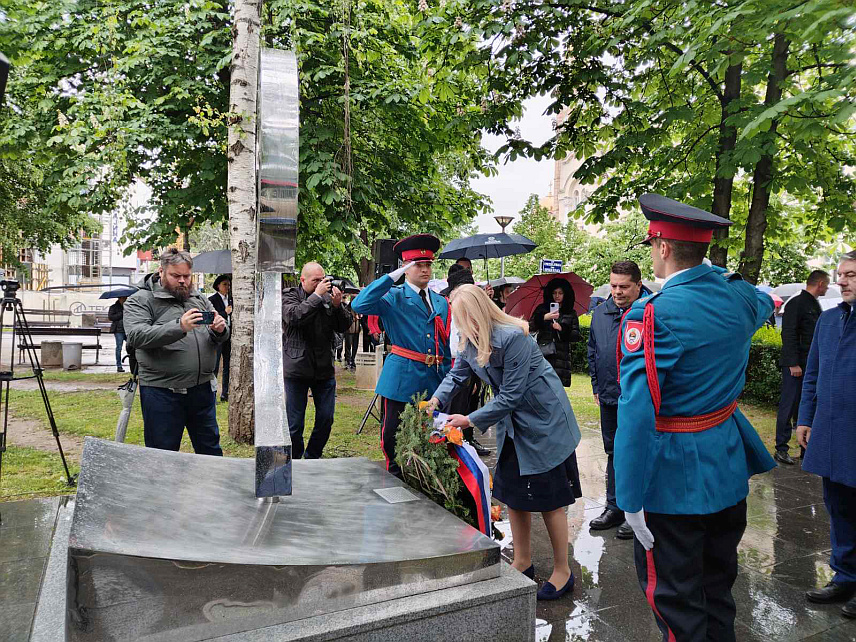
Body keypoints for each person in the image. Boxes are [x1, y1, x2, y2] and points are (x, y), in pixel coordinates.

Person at [615, 194, 775, 642]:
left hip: (671, 482)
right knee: (718, 592)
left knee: (676, 605)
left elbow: (636, 410)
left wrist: (629, 498)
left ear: (663, 247)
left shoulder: (652, 313)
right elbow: (762, 299)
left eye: (652, 246)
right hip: (726, 466)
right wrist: (723, 275)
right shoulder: (740, 297)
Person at [427, 284, 582, 601]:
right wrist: (434, 402)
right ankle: (523, 561)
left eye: (459, 318)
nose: (456, 325)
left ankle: (563, 571)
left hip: (544, 424)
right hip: (515, 424)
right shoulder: (469, 339)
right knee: (513, 493)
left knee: (550, 498)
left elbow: (511, 395)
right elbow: (457, 376)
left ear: (475, 314)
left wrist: (469, 420)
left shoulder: (514, 338)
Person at [351, 234, 452, 478]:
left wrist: (449, 379)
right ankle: (395, 478)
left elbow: (443, 343)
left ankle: (425, 478)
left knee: (432, 434)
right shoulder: (393, 296)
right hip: (402, 378)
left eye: (428, 264)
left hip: (433, 377)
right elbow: (359, 305)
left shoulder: (441, 301)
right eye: (418, 265)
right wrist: (389, 278)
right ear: (406, 269)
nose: (425, 270)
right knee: (393, 435)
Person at [797, 250, 856, 619]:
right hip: (831, 432)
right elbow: (812, 375)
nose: (841, 281)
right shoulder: (829, 319)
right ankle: (845, 575)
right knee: (838, 507)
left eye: (850, 274)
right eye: (839, 274)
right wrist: (804, 420)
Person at [124, 248, 229, 456]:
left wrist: (220, 329)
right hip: (163, 392)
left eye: (187, 276)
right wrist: (179, 326)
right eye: (176, 275)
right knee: (163, 455)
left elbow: (220, 335)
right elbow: (136, 336)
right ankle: (162, 490)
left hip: (202, 390)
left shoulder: (198, 297)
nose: (182, 281)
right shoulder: (140, 299)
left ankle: (209, 489)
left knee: (211, 452)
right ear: (161, 272)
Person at [586, 260, 652, 539]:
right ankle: (614, 507)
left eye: (624, 287)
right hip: (609, 397)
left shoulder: (650, 311)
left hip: (640, 400)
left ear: (638, 285)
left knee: (639, 453)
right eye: (613, 286)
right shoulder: (601, 313)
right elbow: (593, 350)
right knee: (614, 452)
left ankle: (638, 512)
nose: (617, 291)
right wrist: (596, 385)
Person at [281, 262, 352, 460]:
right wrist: (316, 296)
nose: (322, 284)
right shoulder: (290, 295)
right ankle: (294, 461)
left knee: (326, 418)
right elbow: (295, 317)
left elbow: (344, 325)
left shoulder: (328, 298)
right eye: (316, 281)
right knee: (295, 424)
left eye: (323, 280)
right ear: (302, 280)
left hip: (324, 368)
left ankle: (312, 456)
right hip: (297, 368)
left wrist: (338, 306)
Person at [775, 269, 829, 464]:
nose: (828, 287)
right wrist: (792, 363)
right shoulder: (796, 303)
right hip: (796, 366)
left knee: (805, 407)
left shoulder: (813, 304)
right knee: (788, 406)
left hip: (808, 365)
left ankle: (805, 449)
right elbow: (788, 333)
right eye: (827, 284)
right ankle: (781, 449)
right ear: (820, 284)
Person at [440, 264, 490, 456]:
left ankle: (464, 444)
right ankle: (453, 449)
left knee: (468, 407)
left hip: (469, 366)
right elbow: (456, 345)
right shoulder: (450, 309)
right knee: (454, 411)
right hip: (456, 367)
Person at [529, 278, 581, 387]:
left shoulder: (570, 313)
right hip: (543, 354)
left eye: (560, 293)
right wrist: (544, 317)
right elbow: (530, 327)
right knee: (541, 386)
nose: (557, 296)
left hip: (561, 358)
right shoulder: (542, 309)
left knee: (557, 389)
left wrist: (562, 329)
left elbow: (576, 336)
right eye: (554, 293)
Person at [208, 274, 232, 402]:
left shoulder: (232, 299)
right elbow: (213, 318)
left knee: (228, 365)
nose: (227, 287)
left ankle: (225, 393)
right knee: (215, 364)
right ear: (218, 286)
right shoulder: (212, 299)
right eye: (224, 284)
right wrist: (224, 312)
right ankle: (213, 392)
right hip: (218, 336)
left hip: (229, 336)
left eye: (228, 284)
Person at [108, 296, 128, 373]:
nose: (125, 299)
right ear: (120, 299)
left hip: (127, 329)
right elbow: (111, 317)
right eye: (124, 298)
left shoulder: (129, 306)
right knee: (119, 348)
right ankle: (119, 366)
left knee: (132, 347)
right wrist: (122, 313)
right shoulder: (114, 307)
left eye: (126, 298)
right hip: (118, 330)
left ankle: (134, 363)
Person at [343, 296, 361, 369]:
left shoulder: (358, 308)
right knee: (348, 346)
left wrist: (359, 315)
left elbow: (360, 317)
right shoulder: (347, 308)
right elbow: (346, 318)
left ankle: (353, 360)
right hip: (349, 330)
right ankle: (348, 361)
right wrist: (354, 318)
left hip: (356, 330)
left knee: (355, 346)